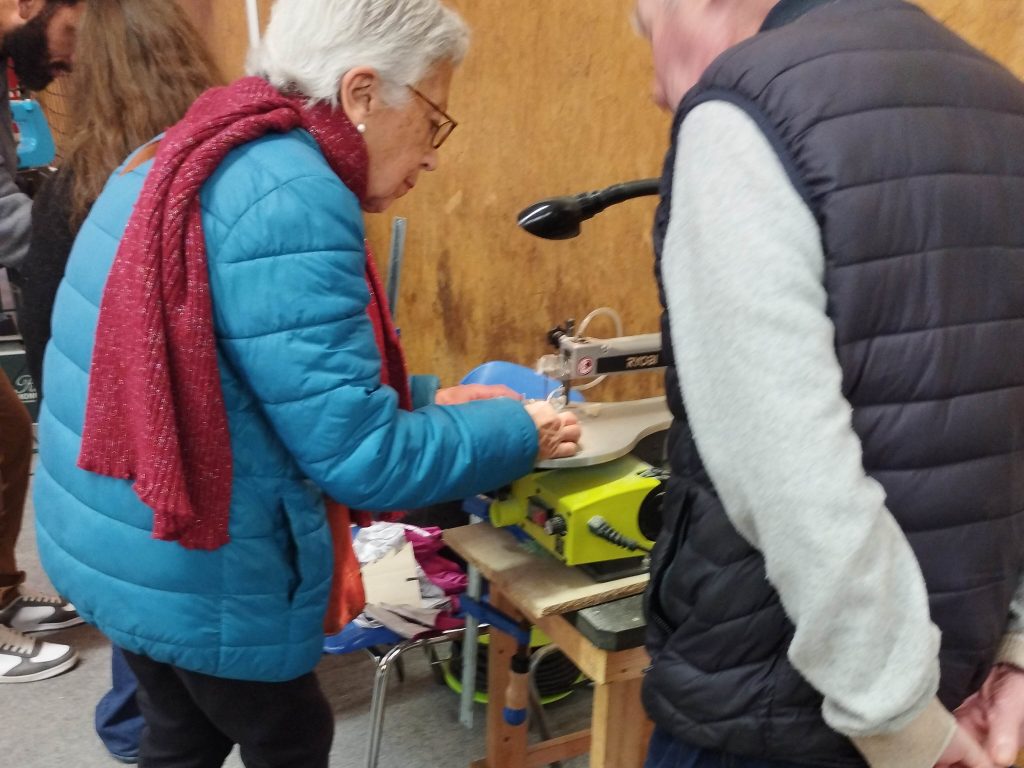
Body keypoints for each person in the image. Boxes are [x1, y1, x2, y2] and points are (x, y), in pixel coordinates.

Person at [33, 0, 581, 765]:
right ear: (361, 94)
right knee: (288, 735)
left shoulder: (194, 141)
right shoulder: (292, 194)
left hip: (117, 535)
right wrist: (521, 433)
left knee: (181, 733)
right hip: (192, 559)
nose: (433, 156)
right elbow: (363, 457)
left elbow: (261, 377)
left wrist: (432, 400)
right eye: (433, 121)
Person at [630, 1, 1024, 768]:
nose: (651, 85)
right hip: (965, 693)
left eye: (650, 35)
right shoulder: (1004, 102)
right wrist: (1016, 642)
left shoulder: (746, 110)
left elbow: (787, 470)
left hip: (777, 713)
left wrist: (899, 719)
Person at [17, 0, 221, 758]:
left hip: (100, 465)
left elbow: (45, 353)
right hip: (171, 463)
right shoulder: (206, 182)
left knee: (149, 655)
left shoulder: (79, 191)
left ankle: (140, 725)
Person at [0, 0, 83, 684]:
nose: (70, 60)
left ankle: (1, 592)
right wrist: (77, 235)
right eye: (69, 35)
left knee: (6, 436)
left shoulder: (7, 69)